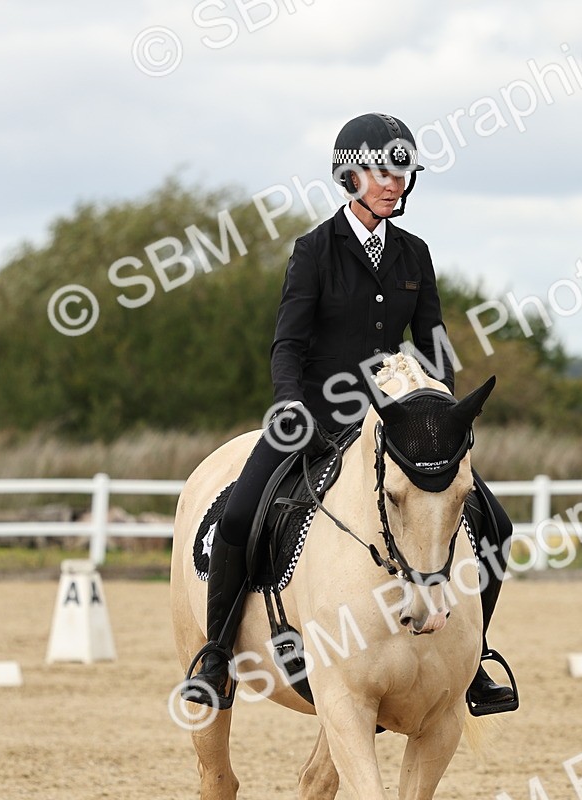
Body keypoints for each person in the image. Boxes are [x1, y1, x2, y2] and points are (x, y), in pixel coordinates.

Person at [182, 112, 515, 714]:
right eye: (382, 170)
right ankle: (216, 654)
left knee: (495, 523)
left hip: (393, 426)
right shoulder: (314, 250)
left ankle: (475, 659)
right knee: (237, 517)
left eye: (403, 170)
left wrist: (437, 412)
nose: (395, 181)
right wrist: (288, 402)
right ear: (349, 174)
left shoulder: (415, 253)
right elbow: (289, 341)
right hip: (314, 416)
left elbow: (433, 343)